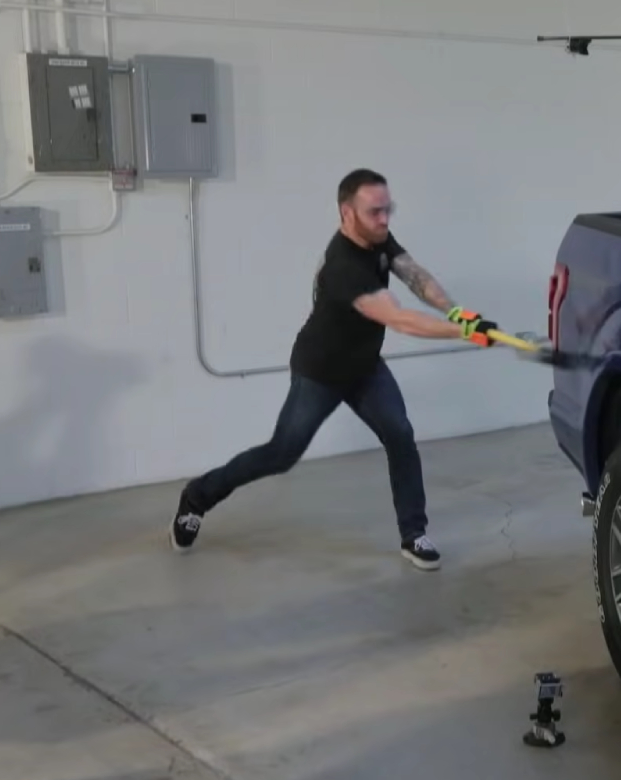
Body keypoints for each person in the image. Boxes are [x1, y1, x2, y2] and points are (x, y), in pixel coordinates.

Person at [168, 168, 498, 570]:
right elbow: (400, 320)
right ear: (347, 212)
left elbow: (416, 276)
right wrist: (465, 332)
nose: (384, 219)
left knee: (400, 435)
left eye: (388, 210)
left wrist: (458, 312)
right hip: (320, 372)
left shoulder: (377, 236)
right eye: (374, 212)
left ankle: (414, 534)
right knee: (281, 454)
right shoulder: (343, 267)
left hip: (365, 367)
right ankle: (197, 497)